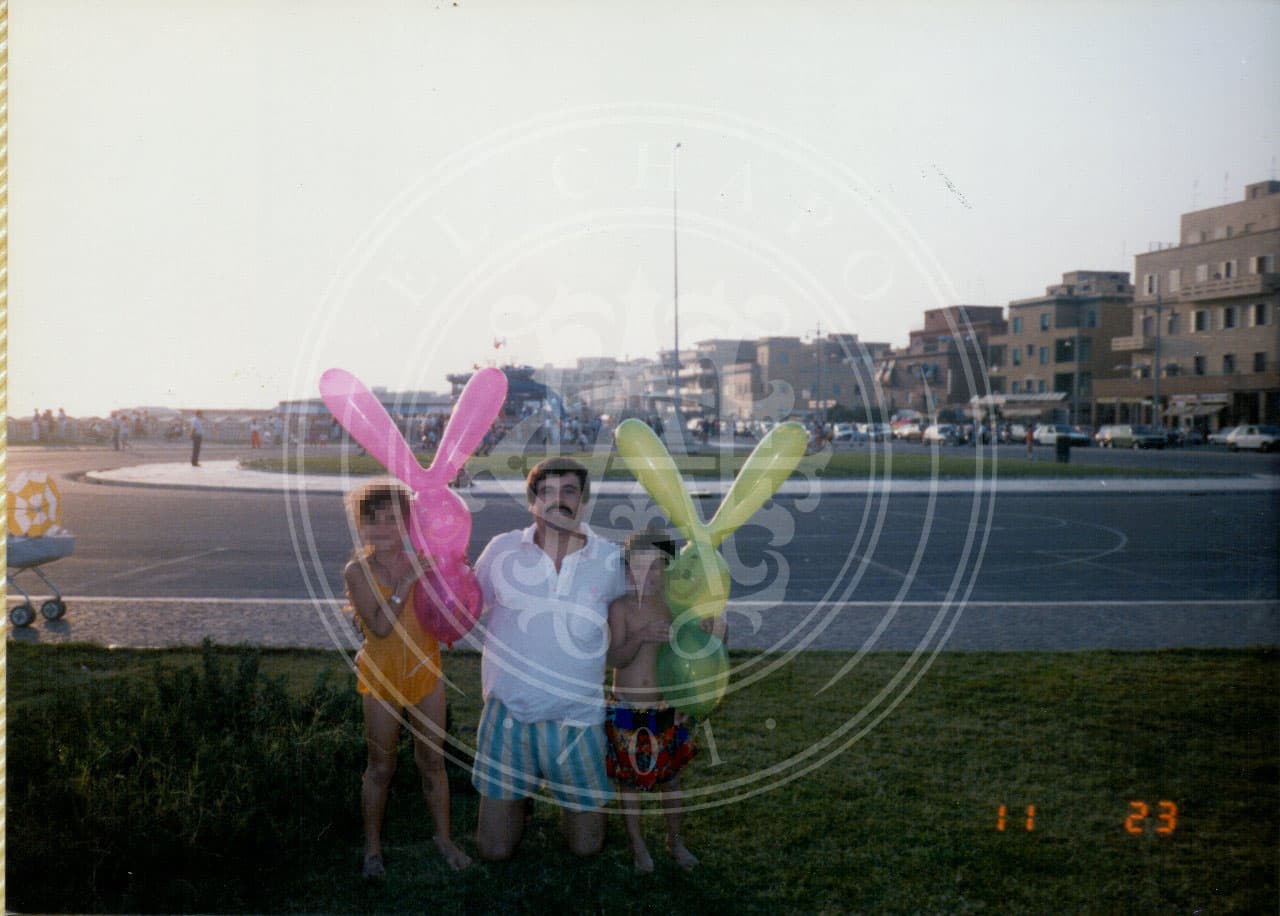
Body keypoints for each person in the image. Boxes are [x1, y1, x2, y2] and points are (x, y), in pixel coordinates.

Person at [471, 457, 627, 861]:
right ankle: (520, 796)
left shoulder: (610, 560)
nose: (559, 500)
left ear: (584, 502)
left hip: (578, 718)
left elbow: (650, 601)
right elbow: (463, 607)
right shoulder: (502, 550)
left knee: (587, 847)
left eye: (569, 491)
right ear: (532, 502)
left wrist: (707, 620)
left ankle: (551, 793)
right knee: (494, 851)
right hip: (509, 714)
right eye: (548, 492)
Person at [343, 481, 472, 877]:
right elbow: (380, 628)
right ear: (361, 526)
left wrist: (456, 573)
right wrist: (405, 583)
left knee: (432, 762)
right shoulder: (358, 571)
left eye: (393, 519)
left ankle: (444, 839)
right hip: (382, 677)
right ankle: (372, 850)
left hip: (425, 671)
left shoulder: (425, 560)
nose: (383, 528)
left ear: (409, 524)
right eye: (373, 520)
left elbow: (454, 606)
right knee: (381, 767)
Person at [606, 532, 727, 872]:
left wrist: (713, 628)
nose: (647, 575)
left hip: (665, 710)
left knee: (671, 780)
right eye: (639, 567)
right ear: (627, 571)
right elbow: (615, 658)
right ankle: (637, 844)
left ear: (667, 570)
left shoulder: (674, 607)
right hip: (627, 709)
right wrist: (640, 637)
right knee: (629, 783)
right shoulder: (620, 608)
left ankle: (675, 841)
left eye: (656, 567)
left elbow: (700, 648)